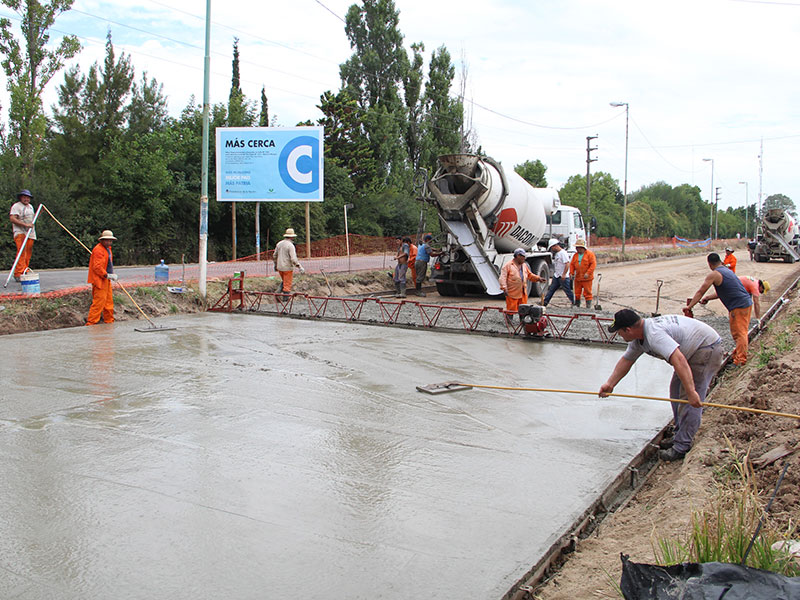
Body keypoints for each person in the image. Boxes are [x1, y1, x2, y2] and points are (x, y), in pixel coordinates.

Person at [599, 309, 724, 462]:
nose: (619, 335)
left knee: (688, 399)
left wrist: (691, 391)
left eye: (619, 332)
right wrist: (610, 384)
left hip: (706, 348)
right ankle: (679, 435)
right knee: (676, 392)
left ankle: (682, 446)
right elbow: (627, 360)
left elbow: (679, 360)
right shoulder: (638, 339)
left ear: (628, 329)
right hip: (694, 351)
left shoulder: (654, 335)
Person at [684, 253, 752, 365]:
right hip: (745, 303)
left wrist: (689, 306)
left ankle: (740, 361)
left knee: (740, 334)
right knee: (739, 332)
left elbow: (701, 291)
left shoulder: (715, 274)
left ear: (709, 264)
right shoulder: (727, 271)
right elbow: (726, 291)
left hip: (738, 306)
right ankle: (737, 355)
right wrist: (708, 298)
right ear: (720, 261)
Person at [499, 248, 544, 316]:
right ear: (518, 256)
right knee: (511, 310)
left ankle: (522, 321)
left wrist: (538, 278)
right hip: (512, 292)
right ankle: (509, 320)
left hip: (523, 292)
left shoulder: (524, 265)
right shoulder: (508, 266)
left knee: (523, 309)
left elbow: (529, 275)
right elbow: (503, 278)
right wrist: (504, 288)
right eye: (523, 257)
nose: (524, 258)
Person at [87, 230, 119, 325]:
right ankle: (91, 324)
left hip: (106, 279)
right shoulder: (98, 250)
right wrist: (106, 275)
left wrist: (110, 275)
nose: (109, 242)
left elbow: (108, 264)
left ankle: (109, 322)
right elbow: (97, 267)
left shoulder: (108, 249)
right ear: (102, 240)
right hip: (99, 280)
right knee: (98, 303)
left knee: (108, 303)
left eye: (110, 240)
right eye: (107, 240)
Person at [700, 276, 769, 320]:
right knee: (729, 297)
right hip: (733, 286)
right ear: (761, 286)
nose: (761, 293)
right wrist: (758, 318)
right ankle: (734, 317)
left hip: (733, 283)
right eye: (762, 291)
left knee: (722, 292)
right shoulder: (755, 287)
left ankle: (706, 298)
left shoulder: (755, 282)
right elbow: (756, 303)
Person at [9, 189, 36, 282]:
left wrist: (40, 213)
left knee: (28, 252)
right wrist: (25, 225)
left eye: (28, 197)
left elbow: (33, 219)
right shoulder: (16, 206)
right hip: (20, 231)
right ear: (21, 197)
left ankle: (25, 270)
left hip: (30, 233)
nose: (26, 199)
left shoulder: (30, 207)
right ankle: (18, 273)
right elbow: (12, 218)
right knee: (22, 251)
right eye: (24, 197)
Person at [542, 239, 574, 306]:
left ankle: (574, 302)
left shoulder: (563, 253)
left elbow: (567, 264)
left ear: (555, 246)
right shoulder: (557, 254)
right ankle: (545, 302)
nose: (552, 249)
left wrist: (564, 274)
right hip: (557, 275)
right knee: (551, 289)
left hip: (563, 276)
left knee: (567, 290)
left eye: (552, 247)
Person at [273, 228, 304, 293]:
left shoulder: (279, 244)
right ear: (292, 237)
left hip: (280, 267)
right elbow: (293, 259)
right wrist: (299, 267)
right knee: (287, 285)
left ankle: (278, 292)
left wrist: (275, 265)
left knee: (285, 281)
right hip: (287, 268)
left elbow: (274, 255)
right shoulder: (290, 245)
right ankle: (284, 297)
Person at [569, 239, 596, 308]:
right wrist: (571, 273)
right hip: (578, 278)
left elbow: (593, 265)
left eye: (578, 247)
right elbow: (572, 265)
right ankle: (577, 305)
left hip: (587, 278)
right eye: (576, 247)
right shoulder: (575, 255)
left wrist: (588, 273)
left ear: (583, 247)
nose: (577, 249)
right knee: (577, 292)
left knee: (587, 292)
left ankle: (588, 306)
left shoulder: (590, 254)